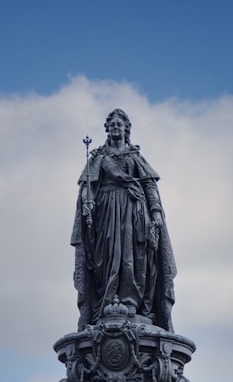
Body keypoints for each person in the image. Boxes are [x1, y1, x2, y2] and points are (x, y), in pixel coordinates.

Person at [71, 109, 176, 331]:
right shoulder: (99, 157)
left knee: (133, 256)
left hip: (133, 209)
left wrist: (156, 210)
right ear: (107, 130)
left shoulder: (134, 157)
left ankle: (131, 302)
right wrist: (88, 203)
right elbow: (86, 187)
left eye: (120, 124)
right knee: (107, 254)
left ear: (126, 129)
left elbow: (149, 184)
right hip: (107, 211)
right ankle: (107, 302)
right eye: (113, 125)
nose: (116, 128)